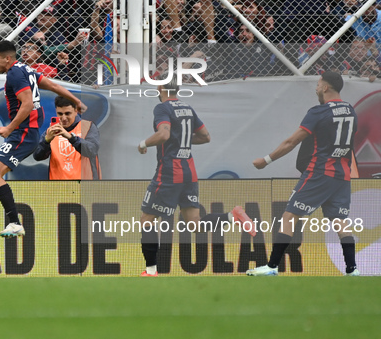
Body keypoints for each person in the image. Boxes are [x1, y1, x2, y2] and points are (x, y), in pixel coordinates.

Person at [0, 40, 87, 239]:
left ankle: (14, 222)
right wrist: (76, 100)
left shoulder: (14, 73)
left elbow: (27, 104)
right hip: (22, 133)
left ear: (7, 58)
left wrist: (9, 128)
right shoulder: (25, 70)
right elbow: (53, 85)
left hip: (23, 133)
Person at [138, 81, 255, 277]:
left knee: (147, 221)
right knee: (195, 224)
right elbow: (205, 136)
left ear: (160, 89)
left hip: (169, 172)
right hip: (189, 171)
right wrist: (180, 138)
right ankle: (232, 216)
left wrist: (143, 143)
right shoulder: (187, 108)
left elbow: (163, 134)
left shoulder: (162, 107)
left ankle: (151, 271)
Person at [248, 71, 360, 276]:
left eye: (318, 84)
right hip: (342, 175)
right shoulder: (350, 110)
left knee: (289, 216)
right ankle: (352, 270)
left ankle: (272, 267)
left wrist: (266, 160)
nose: (316, 88)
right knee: (340, 221)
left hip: (319, 173)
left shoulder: (318, 111)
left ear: (326, 87)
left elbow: (292, 142)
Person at [33, 96, 101, 180]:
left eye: (67, 113)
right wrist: (46, 141)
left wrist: (71, 138)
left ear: (76, 111)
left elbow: (92, 151)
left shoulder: (87, 126)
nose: (64, 118)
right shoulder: (51, 131)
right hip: (59, 187)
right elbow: (37, 156)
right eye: (60, 114)